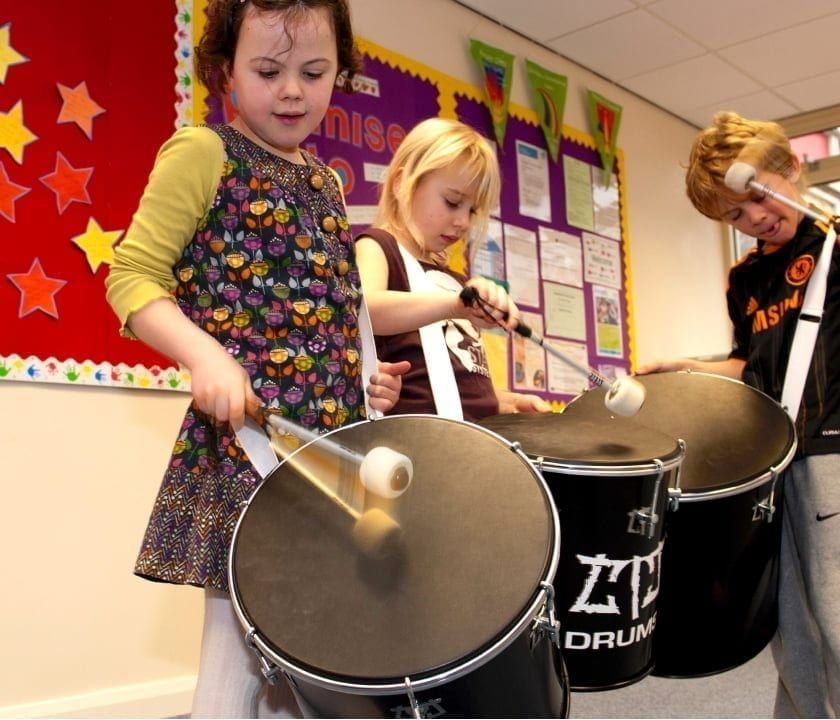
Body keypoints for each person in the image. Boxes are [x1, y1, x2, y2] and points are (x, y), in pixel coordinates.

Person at [105, 1, 408, 716]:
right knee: (246, 653)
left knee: (300, 654)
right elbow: (132, 278)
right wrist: (204, 355)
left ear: (341, 72)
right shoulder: (205, 153)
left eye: (314, 72)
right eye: (268, 71)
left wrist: (363, 383)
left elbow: (335, 309)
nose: (293, 92)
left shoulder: (329, 186)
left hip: (329, 453)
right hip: (249, 453)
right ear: (226, 71)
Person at [638, 112, 840, 718]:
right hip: (773, 458)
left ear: (789, 169)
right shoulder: (745, 278)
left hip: (839, 449)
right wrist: (688, 368)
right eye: (734, 216)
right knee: (791, 617)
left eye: (756, 198)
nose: (754, 219)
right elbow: (753, 366)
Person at [355, 117, 550, 421]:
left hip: (470, 440)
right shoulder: (378, 247)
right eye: (452, 202)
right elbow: (367, 311)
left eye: (472, 210)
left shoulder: (454, 281)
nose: (463, 221)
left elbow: (455, 377)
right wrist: (454, 305)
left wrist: (502, 402)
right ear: (401, 183)